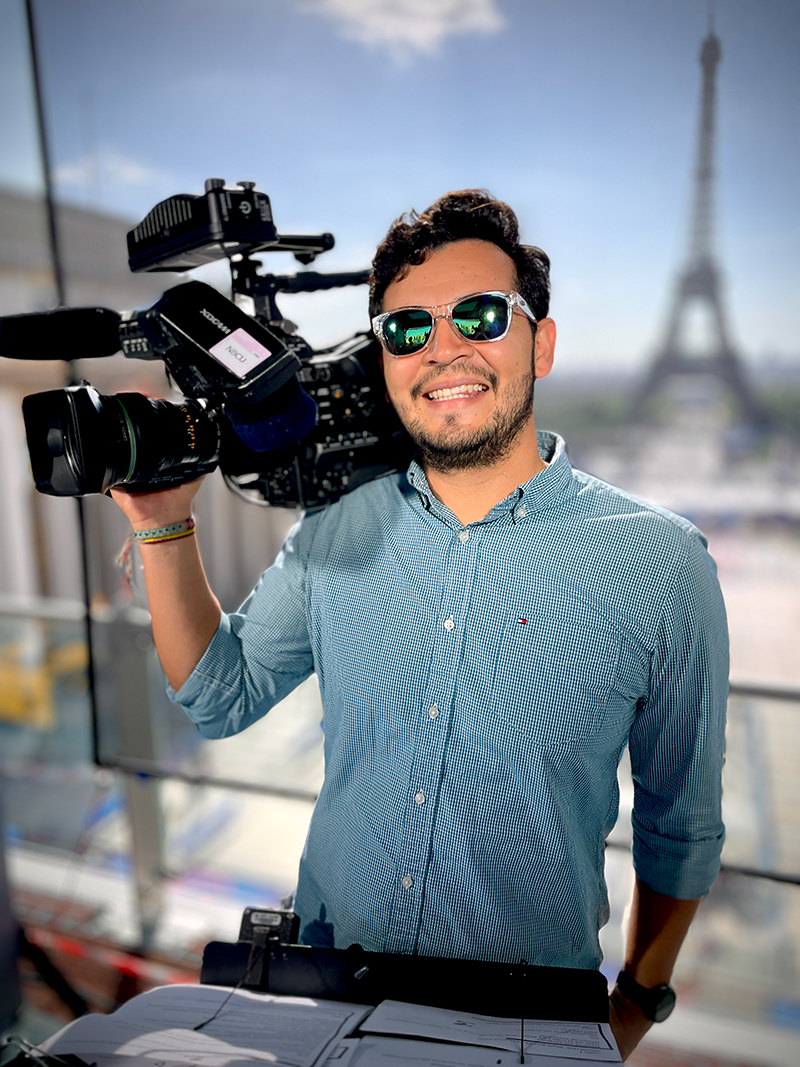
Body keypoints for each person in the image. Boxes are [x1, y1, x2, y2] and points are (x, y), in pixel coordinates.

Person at [111, 190, 727, 1059]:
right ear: (384, 359)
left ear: (540, 343)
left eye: (480, 315)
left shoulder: (663, 565)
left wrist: (636, 999)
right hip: (319, 996)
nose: (443, 348)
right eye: (407, 329)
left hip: (529, 1017)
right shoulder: (335, 525)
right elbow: (221, 694)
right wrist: (162, 520)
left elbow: (681, 822)